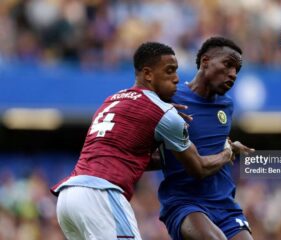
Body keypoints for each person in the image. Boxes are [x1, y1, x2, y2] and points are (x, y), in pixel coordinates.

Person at [51, 42, 233, 240]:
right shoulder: (164, 113)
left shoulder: (113, 99)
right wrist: (227, 152)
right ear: (148, 74)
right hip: (101, 194)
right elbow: (198, 168)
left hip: (68, 198)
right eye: (169, 71)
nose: (176, 79)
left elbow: (130, 155)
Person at [158, 37, 255, 240]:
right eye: (228, 65)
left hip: (224, 205)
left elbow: (211, 143)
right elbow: (152, 154)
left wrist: (230, 147)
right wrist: (227, 152)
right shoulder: (171, 99)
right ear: (205, 61)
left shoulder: (226, 105)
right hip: (185, 202)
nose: (233, 74)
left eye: (237, 69)